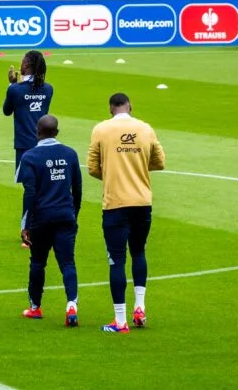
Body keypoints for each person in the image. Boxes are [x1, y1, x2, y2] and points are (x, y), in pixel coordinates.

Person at [89, 92, 166, 333]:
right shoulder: (145, 128)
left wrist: (112, 174)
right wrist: (139, 168)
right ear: (130, 106)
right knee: (139, 252)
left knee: (117, 260)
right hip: (142, 202)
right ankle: (140, 308)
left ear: (110, 109)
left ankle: (120, 321)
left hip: (115, 204)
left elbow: (92, 168)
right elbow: (160, 162)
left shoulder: (101, 129)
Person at [18, 115, 82, 326]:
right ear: (57, 132)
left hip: (41, 218)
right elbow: (77, 189)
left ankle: (35, 308)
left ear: (37, 132)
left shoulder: (30, 156)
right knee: (67, 262)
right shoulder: (70, 154)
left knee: (38, 263)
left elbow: (29, 193)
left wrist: (25, 225)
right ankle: (72, 304)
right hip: (65, 215)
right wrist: (75, 213)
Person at [3, 50, 53, 164]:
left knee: (27, 180)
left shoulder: (15, 89)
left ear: (26, 65)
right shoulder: (48, 89)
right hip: (44, 142)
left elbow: (6, 111)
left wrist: (12, 84)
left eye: (22, 62)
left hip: (24, 144)